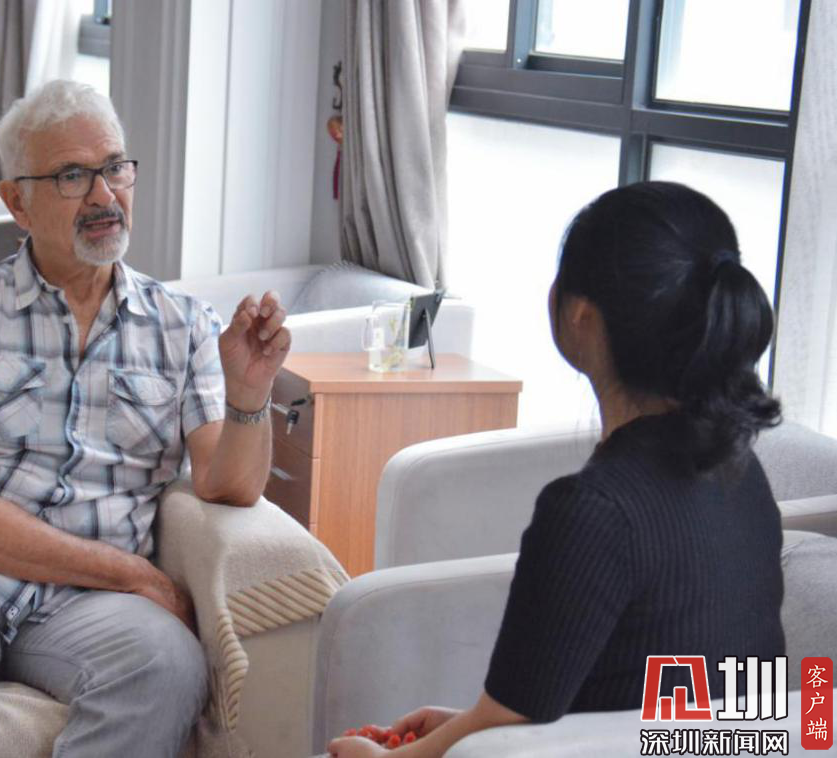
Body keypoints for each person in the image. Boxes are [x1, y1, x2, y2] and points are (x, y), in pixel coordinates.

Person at [0, 80, 291, 758]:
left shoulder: (184, 326)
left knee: (167, 662)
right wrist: (135, 574)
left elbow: (227, 487)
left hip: (80, 605)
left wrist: (248, 395)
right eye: (72, 176)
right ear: (16, 202)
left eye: (114, 167)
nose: (104, 195)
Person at [329, 181, 785, 757]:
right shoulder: (742, 472)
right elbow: (548, 708)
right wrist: (462, 727)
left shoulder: (592, 510)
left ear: (580, 316)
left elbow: (512, 721)